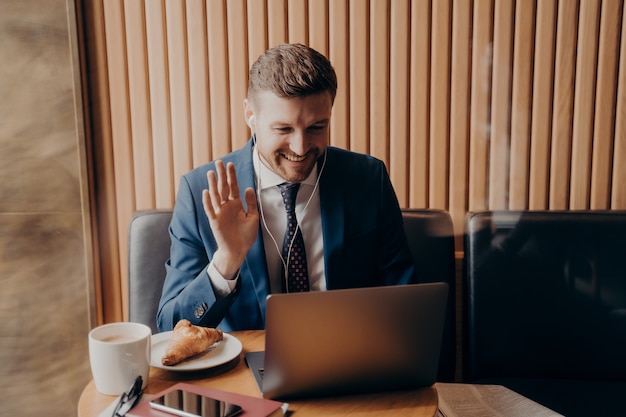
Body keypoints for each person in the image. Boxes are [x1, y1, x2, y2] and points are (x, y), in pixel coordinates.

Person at [157, 43, 416, 332]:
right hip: (244, 371)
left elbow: (404, 299)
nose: (301, 147)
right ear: (250, 115)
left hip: (348, 364)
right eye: (283, 129)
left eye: (317, 127)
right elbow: (170, 327)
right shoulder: (199, 192)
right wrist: (226, 262)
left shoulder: (368, 179)